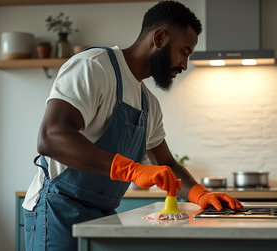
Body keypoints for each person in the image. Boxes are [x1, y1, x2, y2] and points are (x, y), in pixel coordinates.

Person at [22, 1, 243, 250]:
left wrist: (200, 195)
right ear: (159, 37)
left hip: (102, 213)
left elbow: (166, 163)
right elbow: (51, 137)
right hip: (58, 210)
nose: (184, 64)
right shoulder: (94, 67)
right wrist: (132, 170)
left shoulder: (148, 103)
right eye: (184, 51)